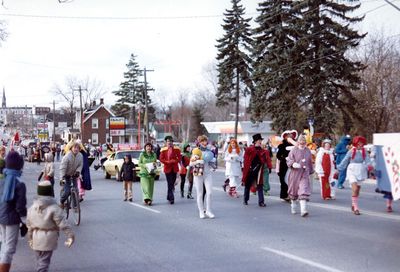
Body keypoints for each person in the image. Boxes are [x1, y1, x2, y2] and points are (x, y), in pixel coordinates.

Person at [27, 180, 74, 272]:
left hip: (36, 237)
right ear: (51, 192)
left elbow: (29, 225)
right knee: (44, 262)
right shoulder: (54, 208)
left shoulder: (32, 208)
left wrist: (30, 238)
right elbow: (63, 224)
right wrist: (70, 235)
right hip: (48, 238)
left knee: (39, 260)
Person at [0, 151, 27, 272]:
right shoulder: (19, 184)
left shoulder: (2, 181)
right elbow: (20, 207)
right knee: (10, 248)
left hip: (1, 217)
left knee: (4, 245)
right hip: (12, 220)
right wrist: (25, 222)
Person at [337, 136, 373, 215]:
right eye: (359, 143)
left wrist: (370, 166)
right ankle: (356, 207)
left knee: (357, 190)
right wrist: (339, 168)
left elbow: (367, 160)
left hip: (361, 170)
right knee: (355, 188)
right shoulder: (351, 151)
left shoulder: (364, 151)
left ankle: (353, 204)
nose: (360, 145)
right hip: (352, 170)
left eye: (362, 143)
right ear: (356, 143)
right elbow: (345, 160)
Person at [286, 134, 314, 217]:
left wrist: (311, 170)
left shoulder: (308, 150)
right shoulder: (294, 150)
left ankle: (303, 210)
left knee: (303, 190)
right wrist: (293, 164)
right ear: (298, 142)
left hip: (304, 173)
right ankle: (293, 206)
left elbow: (309, 162)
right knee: (294, 192)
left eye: (304, 142)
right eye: (301, 142)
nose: (302, 144)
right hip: (295, 174)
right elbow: (289, 160)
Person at [191, 135, 216, 219]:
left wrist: (213, 163)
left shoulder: (210, 151)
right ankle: (201, 211)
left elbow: (212, 163)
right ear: (199, 142)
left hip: (207, 174)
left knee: (209, 193)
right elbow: (191, 164)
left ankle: (208, 210)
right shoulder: (196, 151)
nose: (204, 143)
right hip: (198, 174)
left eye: (205, 141)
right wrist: (198, 160)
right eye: (202, 141)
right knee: (200, 194)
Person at [242, 134, 270, 207]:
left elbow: (266, 160)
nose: (260, 141)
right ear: (255, 141)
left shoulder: (263, 151)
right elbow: (246, 160)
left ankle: (261, 202)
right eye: (259, 140)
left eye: (261, 140)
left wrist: (268, 166)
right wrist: (246, 169)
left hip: (259, 170)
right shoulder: (249, 149)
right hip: (250, 170)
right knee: (248, 185)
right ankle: (245, 199)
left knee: (260, 186)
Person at [59, 142, 83, 209]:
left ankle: (75, 206)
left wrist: (78, 171)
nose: (76, 149)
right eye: (74, 147)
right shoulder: (67, 157)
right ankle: (61, 201)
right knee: (67, 191)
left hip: (74, 175)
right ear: (71, 148)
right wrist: (62, 178)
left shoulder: (80, 156)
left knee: (76, 190)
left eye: (78, 148)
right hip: (66, 175)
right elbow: (62, 168)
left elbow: (80, 165)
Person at [159, 136, 182, 205]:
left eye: (171, 141)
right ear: (166, 142)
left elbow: (179, 158)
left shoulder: (177, 149)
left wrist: (175, 161)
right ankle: (172, 198)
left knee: (172, 183)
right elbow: (161, 159)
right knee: (170, 183)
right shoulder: (163, 150)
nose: (169, 143)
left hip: (174, 168)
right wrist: (167, 162)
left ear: (172, 142)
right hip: (167, 168)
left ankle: (169, 196)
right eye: (168, 141)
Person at [276, 130, 298, 202]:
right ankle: (285, 195)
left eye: (291, 135)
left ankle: (292, 195)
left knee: (293, 181)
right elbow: (278, 156)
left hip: (293, 165)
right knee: (284, 180)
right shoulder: (282, 146)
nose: (290, 137)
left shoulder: (295, 145)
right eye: (288, 136)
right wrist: (284, 158)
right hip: (284, 165)